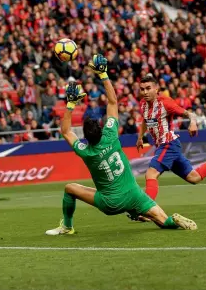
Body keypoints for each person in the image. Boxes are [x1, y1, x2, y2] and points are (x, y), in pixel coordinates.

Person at [46, 55, 197, 235]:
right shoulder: (110, 135)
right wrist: (103, 75)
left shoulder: (85, 151)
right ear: (101, 130)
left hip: (110, 203)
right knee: (162, 220)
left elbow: (65, 131)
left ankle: (67, 226)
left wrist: (70, 104)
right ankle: (172, 221)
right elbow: (112, 102)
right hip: (134, 195)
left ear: (85, 137)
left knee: (70, 188)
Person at [136, 74, 206, 206]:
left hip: (168, 144)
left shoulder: (165, 103)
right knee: (194, 177)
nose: (145, 92)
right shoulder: (143, 104)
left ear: (156, 89)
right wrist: (140, 137)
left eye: (148, 88)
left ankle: (146, 209)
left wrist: (193, 123)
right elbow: (145, 121)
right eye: (142, 89)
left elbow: (190, 114)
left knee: (151, 174)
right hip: (166, 146)